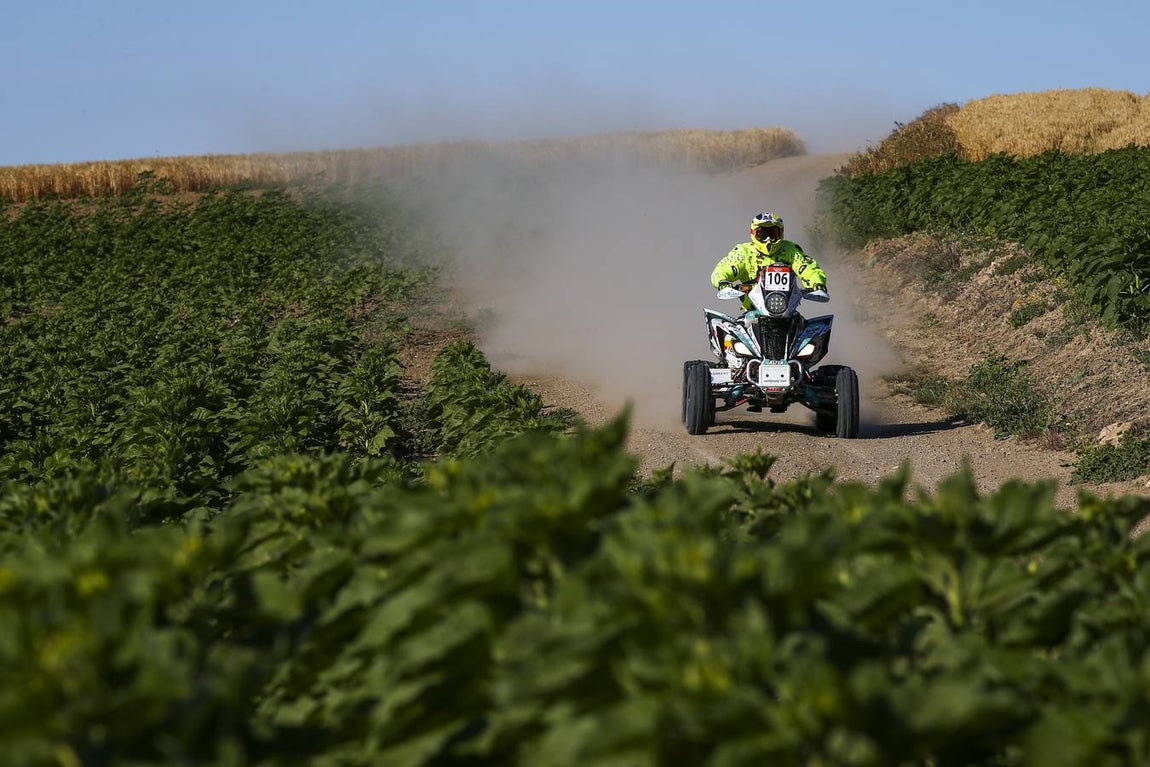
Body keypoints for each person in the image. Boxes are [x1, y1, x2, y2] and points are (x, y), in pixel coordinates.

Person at [710, 211, 827, 310]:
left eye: (773, 234)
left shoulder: (791, 250)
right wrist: (722, 281)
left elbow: (807, 267)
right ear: (753, 234)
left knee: (815, 331)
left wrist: (817, 283)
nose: (768, 240)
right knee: (729, 333)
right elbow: (724, 268)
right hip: (752, 312)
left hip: (787, 311)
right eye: (762, 234)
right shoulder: (744, 252)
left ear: (781, 233)